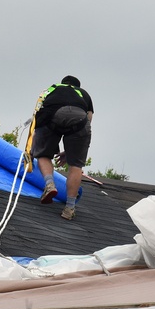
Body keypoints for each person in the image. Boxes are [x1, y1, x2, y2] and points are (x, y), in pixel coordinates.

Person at [31, 75, 94, 220]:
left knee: (44, 155)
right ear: (77, 86)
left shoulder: (51, 90)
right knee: (76, 165)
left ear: (63, 83)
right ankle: (69, 208)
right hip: (79, 120)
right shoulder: (83, 94)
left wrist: (35, 147)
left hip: (52, 116)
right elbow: (88, 119)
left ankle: (50, 185)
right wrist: (72, 150)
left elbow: (38, 114)